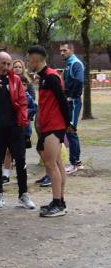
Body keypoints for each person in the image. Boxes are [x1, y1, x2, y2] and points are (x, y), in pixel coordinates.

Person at [0, 52, 35, 210]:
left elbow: (22, 102)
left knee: (21, 161)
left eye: (8, 64)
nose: (6, 67)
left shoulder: (16, 79)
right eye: (3, 63)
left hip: (15, 128)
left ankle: (23, 195)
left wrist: (23, 121)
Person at [26, 45, 72, 217]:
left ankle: (58, 204)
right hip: (47, 126)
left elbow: (62, 101)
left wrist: (68, 124)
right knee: (57, 164)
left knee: (51, 166)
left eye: (29, 59)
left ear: (37, 60)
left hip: (55, 126)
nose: (27, 63)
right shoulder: (44, 77)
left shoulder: (51, 77)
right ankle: (59, 201)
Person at [60, 42, 84, 173]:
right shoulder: (68, 64)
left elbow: (79, 81)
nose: (62, 53)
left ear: (72, 50)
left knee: (71, 130)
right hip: (69, 102)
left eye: (65, 50)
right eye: (61, 51)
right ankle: (75, 161)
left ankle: (76, 162)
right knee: (69, 131)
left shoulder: (75, 63)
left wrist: (71, 97)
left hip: (74, 102)